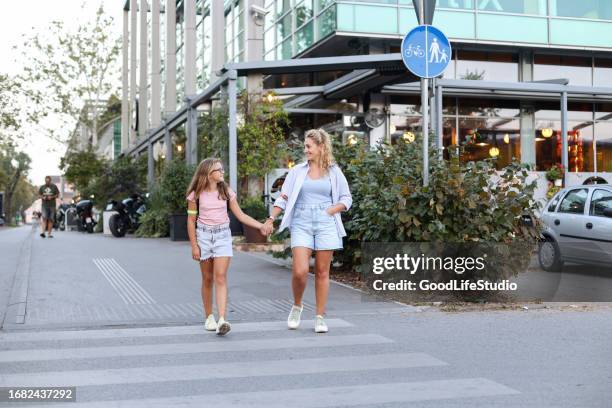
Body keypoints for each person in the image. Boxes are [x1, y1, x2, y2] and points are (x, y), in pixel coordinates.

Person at [261, 129, 352, 333]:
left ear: (321, 147)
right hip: (301, 222)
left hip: (326, 222)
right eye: (305, 146)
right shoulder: (297, 171)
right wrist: (271, 218)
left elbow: (347, 198)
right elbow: (283, 197)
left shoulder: (334, 171)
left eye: (309, 146)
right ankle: (297, 305)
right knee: (300, 271)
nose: (306, 149)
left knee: (322, 272)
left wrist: (333, 209)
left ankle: (320, 316)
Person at [186, 158, 266, 336]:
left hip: (222, 236)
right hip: (204, 237)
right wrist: (194, 246)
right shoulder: (196, 194)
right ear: (208, 173)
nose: (222, 172)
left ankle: (222, 319)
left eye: (222, 169)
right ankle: (209, 317)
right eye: (219, 170)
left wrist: (260, 226)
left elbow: (241, 215)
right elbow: (191, 221)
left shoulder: (226, 191)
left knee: (220, 276)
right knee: (207, 278)